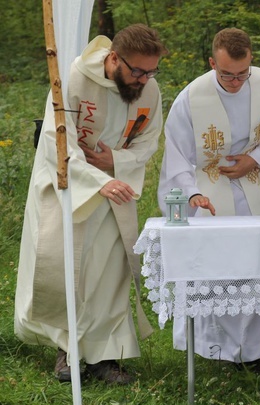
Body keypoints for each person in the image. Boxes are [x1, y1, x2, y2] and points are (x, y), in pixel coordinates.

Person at [14, 24, 168, 384]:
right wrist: (99, 181)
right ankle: (67, 351)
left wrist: (115, 161)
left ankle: (106, 357)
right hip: (70, 187)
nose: (144, 80)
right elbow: (56, 142)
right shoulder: (71, 78)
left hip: (116, 188)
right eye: (138, 71)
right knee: (72, 270)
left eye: (151, 71)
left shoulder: (149, 89)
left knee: (111, 274)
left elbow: (149, 139)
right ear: (114, 58)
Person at [157, 28, 260, 370]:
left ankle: (251, 351)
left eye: (242, 75)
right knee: (215, 271)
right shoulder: (191, 99)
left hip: (252, 182)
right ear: (211, 63)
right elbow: (177, 156)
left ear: (251, 62)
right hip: (209, 188)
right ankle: (213, 346)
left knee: (252, 266)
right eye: (226, 75)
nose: (235, 82)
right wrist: (194, 195)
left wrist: (257, 158)